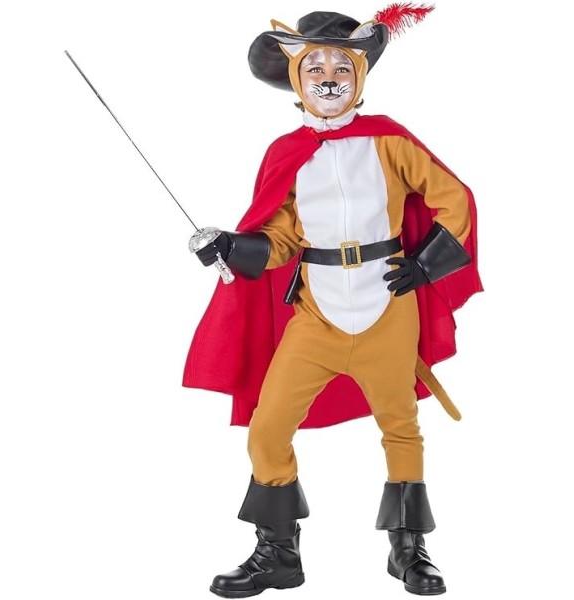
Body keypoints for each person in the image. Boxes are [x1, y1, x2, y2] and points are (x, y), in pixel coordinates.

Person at [184, 5, 482, 597]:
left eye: (341, 67)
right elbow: (279, 240)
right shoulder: (287, 154)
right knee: (268, 427)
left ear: (358, 77)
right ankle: (278, 552)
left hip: (386, 306)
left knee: (400, 426)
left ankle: (407, 549)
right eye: (315, 68)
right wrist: (232, 247)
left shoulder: (390, 142)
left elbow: (456, 200)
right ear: (297, 80)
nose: (328, 78)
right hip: (316, 315)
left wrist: (425, 266)